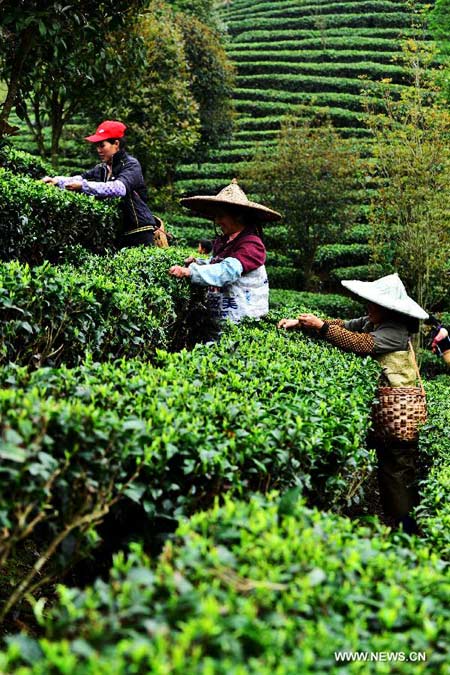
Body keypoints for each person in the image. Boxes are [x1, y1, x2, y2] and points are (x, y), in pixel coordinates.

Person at [278, 273, 429, 534]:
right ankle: (397, 523)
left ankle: (407, 531)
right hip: (389, 415)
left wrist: (322, 328)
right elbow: (346, 325)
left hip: (401, 415)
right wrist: (306, 323)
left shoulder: (395, 331)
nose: (368, 308)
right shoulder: (374, 322)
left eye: (373, 304)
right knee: (387, 470)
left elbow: (360, 343)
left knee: (397, 472)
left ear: (388, 308)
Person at [169, 179, 281, 324]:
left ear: (238, 216)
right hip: (221, 318)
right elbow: (218, 262)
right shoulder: (225, 241)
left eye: (221, 216)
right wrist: (200, 262)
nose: (217, 221)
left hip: (243, 322)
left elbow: (228, 270)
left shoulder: (252, 244)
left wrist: (190, 272)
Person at [42, 120, 159, 247]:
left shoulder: (131, 165)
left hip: (139, 231)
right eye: (97, 146)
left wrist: (84, 187)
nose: (98, 150)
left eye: (102, 145)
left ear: (116, 144)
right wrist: (57, 181)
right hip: (119, 233)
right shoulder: (102, 168)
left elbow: (119, 188)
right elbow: (80, 178)